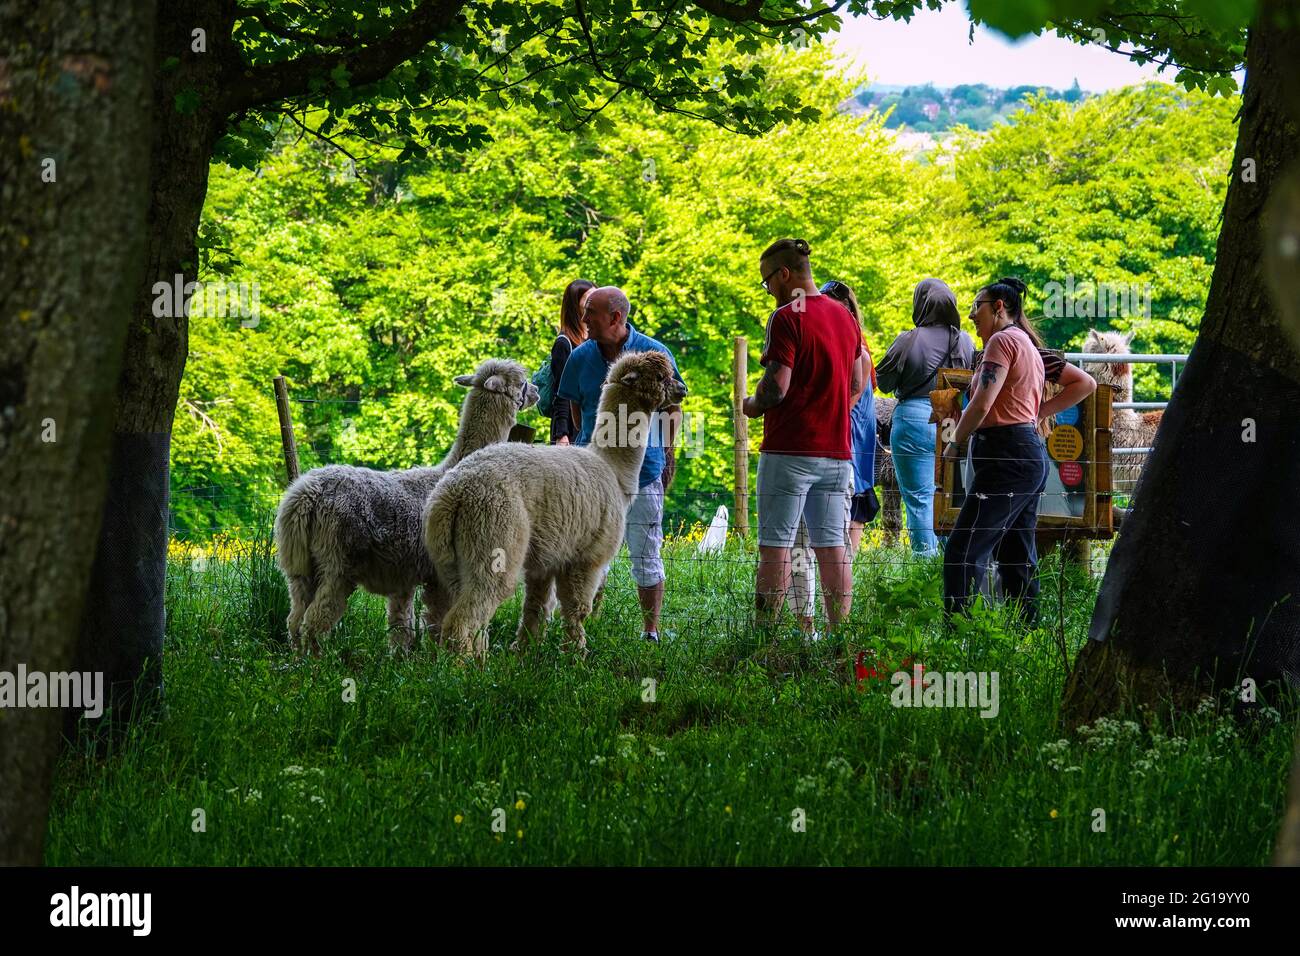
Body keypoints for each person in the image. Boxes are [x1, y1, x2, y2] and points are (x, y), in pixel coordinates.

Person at [941, 277, 1094, 625]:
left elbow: (981, 405)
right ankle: (1027, 629)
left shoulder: (1001, 341)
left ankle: (956, 633)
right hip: (1027, 453)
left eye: (976, 307)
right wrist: (1036, 415)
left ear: (998, 308)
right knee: (1017, 553)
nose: (970, 315)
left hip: (1006, 453)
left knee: (962, 549)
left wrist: (955, 444)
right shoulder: (1027, 345)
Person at [743, 239, 863, 640]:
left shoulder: (785, 317)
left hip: (789, 450)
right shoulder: (846, 318)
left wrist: (751, 404)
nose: (769, 291)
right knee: (832, 547)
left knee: (775, 547)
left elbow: (777, 386)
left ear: (784, 275)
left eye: (767, 282)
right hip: (837, 451)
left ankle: (764, 636)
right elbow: (859, 381)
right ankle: (838, 636)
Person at [556, 286, 686, 642]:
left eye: (590, 314)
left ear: (615, 317)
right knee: (588, 551)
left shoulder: (655, 354)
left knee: (646, 549)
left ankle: (651, 631)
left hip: (642, 474)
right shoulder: (580, 358)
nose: (583, 320)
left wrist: (658, 450)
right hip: (591, 477)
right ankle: (583, 625)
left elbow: (673, 409)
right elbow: (576, 412)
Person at [875, 278, 975, 557]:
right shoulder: (965, 340)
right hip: (954, 421)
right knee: (950, 497)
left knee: (920, 500)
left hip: (914, 420)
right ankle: (952, 563)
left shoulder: (909, 339)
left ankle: (924, 564)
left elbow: (882, 382)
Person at [821, 279, 879, 558]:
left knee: (853, 493)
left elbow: (843, 404)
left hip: (850, 431)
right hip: (843, 429)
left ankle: (847, 560)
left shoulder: (859, 352)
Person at [548, 279, 594, 445]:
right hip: (570, 431)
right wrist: (562, 434)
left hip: (588, 426)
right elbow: (560, 393)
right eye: (588, 299)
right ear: (575, 305)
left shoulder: (594, 339)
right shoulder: (564, 343)